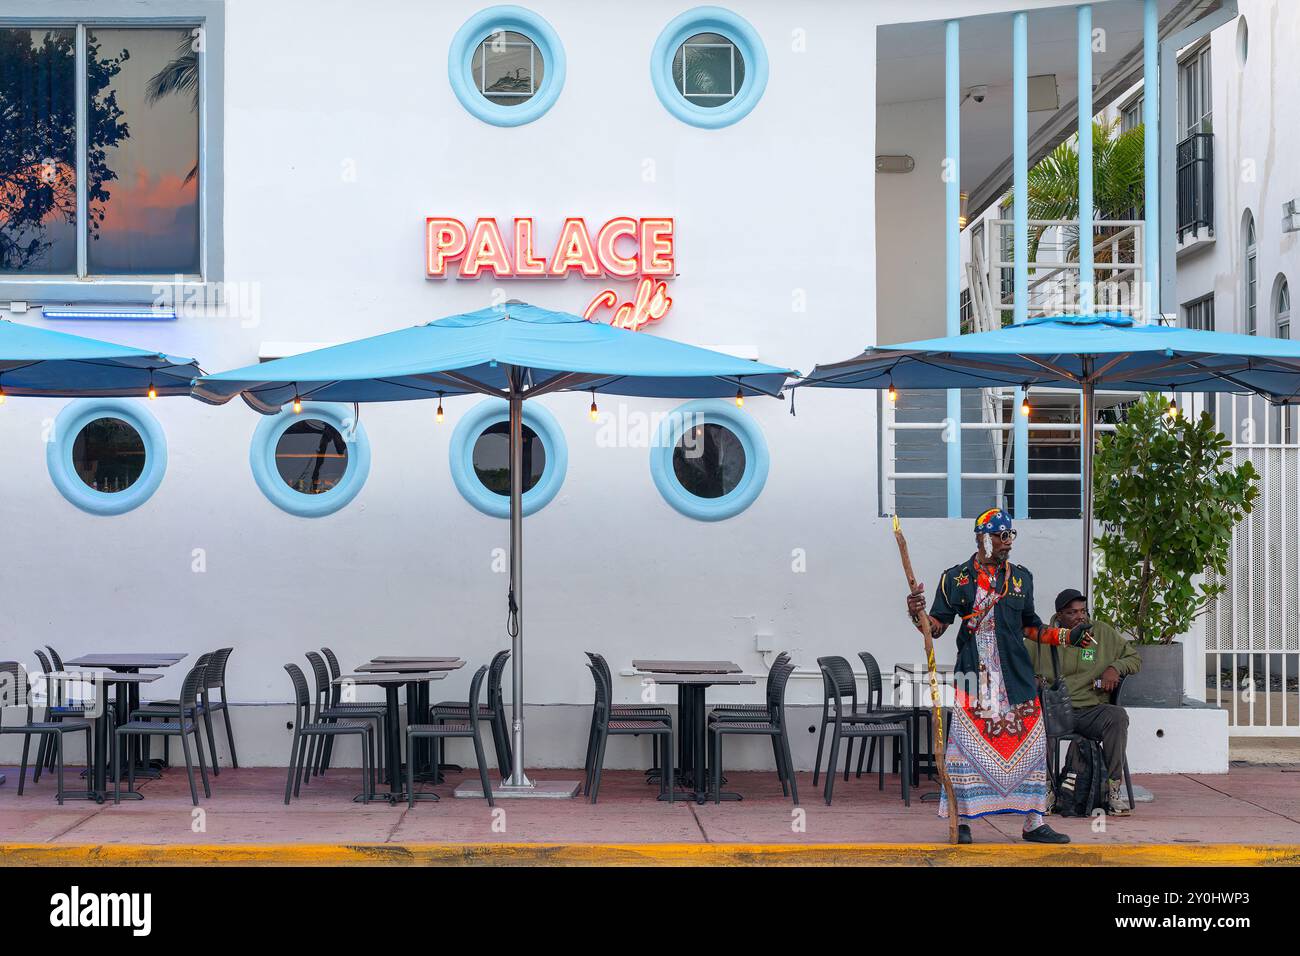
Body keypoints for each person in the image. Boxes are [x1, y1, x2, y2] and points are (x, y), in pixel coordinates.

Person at [906, 508, 1095, 844]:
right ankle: (962, 821)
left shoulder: (1022, 578)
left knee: (1034, 746)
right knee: (963, 751)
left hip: (1015, 678)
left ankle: (1034, 822)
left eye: (1010, 534)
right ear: (982, 538)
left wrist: (1068, 637)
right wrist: (916, 612)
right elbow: (935, 628)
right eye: (1000, 535)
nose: (1007, 541)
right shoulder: (955, 578)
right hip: (973, 679)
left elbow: (1031, 627)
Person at [1029, 588, 1141, 816]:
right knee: (1037, 721)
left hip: (1091, 710)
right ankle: (1046, 790)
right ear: (1059, 615)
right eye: (1072, 612)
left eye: (1083, 611)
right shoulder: (1042, 637)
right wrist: (1033, 682)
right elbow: (1016, 667)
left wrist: (1114, 667)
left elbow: (1134, 658)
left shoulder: (1102, 633)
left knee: (1117, 716)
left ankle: (1112, 789)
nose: (1080, 617)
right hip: (1056, 712)